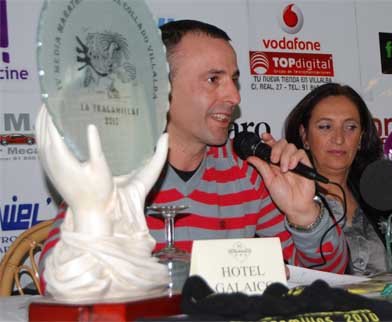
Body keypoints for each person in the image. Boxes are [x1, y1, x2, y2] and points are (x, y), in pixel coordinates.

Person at [39, 20, 348, 296]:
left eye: (234, 79)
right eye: (214, 79)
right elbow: (54, 277)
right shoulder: (115, 169)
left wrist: (305, 215)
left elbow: (328, 276)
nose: (234, 97)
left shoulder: (248, 169)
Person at [284, 83, 386, 275]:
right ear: (304, 136)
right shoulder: (286, 198)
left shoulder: (380, 195)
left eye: (350, 127)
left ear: (362, 138)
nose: (339, 139)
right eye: (325, 127)